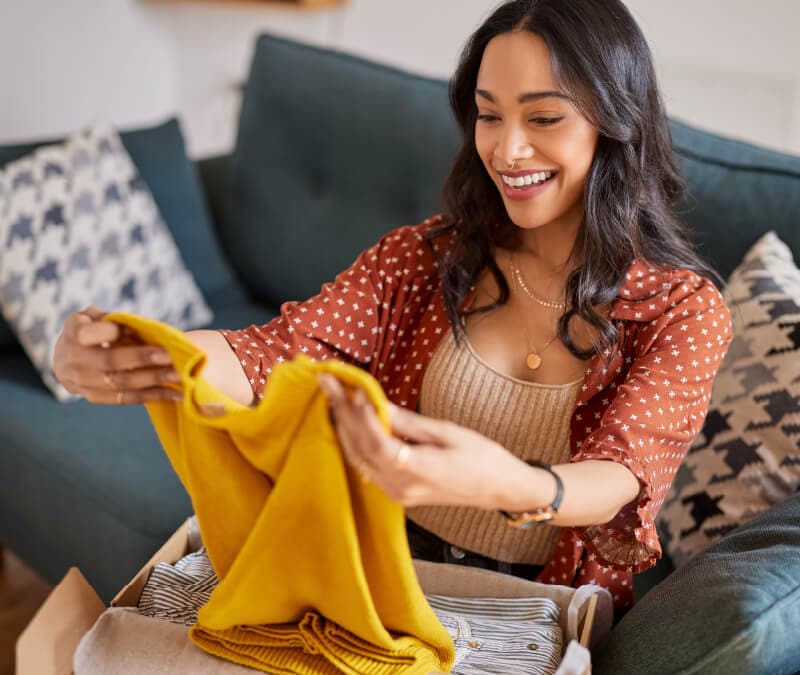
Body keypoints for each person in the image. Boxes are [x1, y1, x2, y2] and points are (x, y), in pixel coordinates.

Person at [53, 0, 732, 614]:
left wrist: (513, 482)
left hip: (538, 611)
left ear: (616, 122)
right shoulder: (424, 258)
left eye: (544, 116)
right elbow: (277, 354)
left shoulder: (682, 311)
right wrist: (141, 348)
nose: (507, 148)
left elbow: (621, 473)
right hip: (373, 574)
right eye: (490, 115)